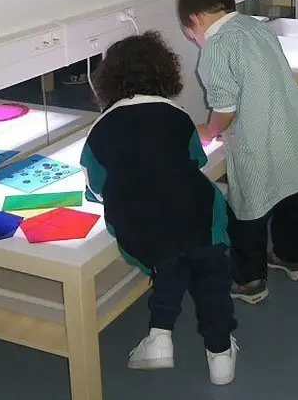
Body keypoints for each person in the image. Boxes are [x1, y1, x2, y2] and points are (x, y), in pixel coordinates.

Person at [80, 32, 238, 385]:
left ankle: (160, 338)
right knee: (210, 278)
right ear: (164, 72)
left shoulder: (100, 128)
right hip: (196, 213)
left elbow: (95, 186)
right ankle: (221, 356)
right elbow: (195, 159)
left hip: (142, 224)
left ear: (108, 81)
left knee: (168, 261)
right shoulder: (176, 114)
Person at [176, 0, 298, 305]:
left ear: (194, 20)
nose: (194, 40)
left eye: (189, 33)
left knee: (249, 208)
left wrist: (208, 131)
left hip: (258, 137)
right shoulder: (256, 27)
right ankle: (294, 260)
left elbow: (225, 109)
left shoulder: (216, 47)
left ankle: (250, 282)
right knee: (290, 196)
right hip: (290, 127)